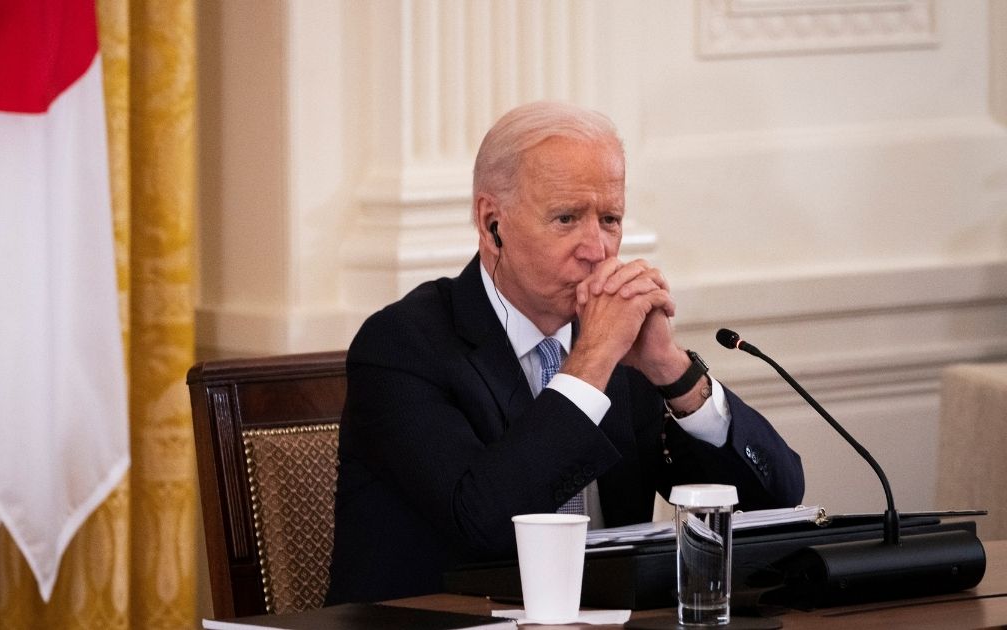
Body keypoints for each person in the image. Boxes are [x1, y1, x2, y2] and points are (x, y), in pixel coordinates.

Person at [325, 101, 804, 604]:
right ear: (493, 225)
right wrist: (590, 362)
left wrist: (673, 372)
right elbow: (485, 526)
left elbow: (773, 500)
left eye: (610, 219)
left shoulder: (624, 347)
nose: (597, 248)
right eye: (567, 218)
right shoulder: (403, 346)